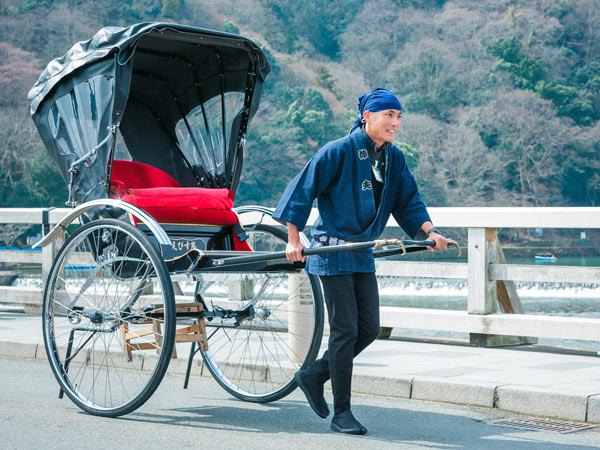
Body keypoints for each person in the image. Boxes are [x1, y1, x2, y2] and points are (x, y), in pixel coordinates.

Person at [272, 88, 448, 435]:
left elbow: (409, 201)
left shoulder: (393, 158)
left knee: (368, 328)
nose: (395, 123)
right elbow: (301, 191)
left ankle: (314, 374)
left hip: (362, 251)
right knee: (345, 330)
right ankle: (342, 413)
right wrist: (294, 240)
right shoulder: (337, 151)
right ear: (367, 117)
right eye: (388, 116)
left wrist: (430, 231)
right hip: (332, 251)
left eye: (399, 117)